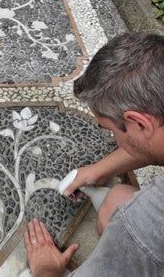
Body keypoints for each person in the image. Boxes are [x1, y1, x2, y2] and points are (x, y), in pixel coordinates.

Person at [24, 32, 164, 277]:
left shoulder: (146, 223)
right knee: (116, 198)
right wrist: (97, 171)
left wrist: (46, 268)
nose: (112, 139)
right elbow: (152, 142)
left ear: (140, 123)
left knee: (118, 216)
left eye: (109, 130)